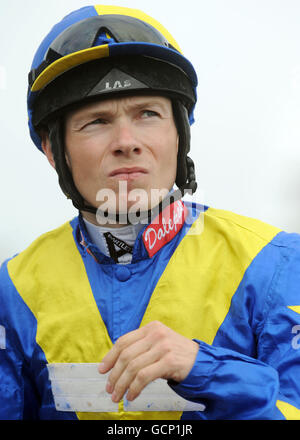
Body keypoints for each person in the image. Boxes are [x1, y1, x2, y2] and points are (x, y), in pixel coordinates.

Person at [0, 4, 300, 421]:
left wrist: (206, 370)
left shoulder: (279, 262)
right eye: (96, 121)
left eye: (147, 114)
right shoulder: (11, 290)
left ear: (180, 134)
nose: (126, 141)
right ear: (54, 151)